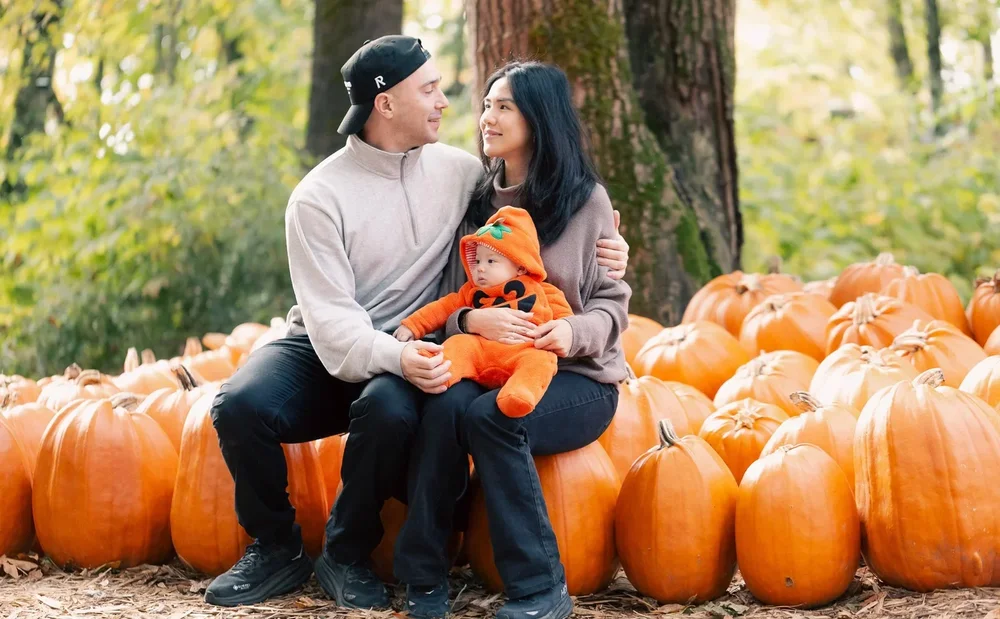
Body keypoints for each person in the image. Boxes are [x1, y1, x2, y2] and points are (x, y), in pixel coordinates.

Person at [203, 37, 630, 609]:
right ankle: (276, 547)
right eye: (430, 89)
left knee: (404, 408)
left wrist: (615, 254)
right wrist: (433, 337)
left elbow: (580, 263)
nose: (450, 105)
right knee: (239, 405)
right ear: (385, 103)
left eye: (495, 104)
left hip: (446, 350)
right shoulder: (319, 199)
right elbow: (340, 328)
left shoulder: (460, 176)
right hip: (340, 344)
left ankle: (348, 553)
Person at [392, 61, 631, 619]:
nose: (486, 118)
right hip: (487, 359)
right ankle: (424, 576)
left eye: (504, 107)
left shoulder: (584, 200)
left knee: (490, 417)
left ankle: (541, 590)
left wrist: (570, 330)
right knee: (447, 399)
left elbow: (613, 303)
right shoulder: (478, 203)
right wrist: (471, 325)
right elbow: (455, 299)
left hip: (578, 378)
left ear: (539, 118)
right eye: (486, 105)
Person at [395, 205, 573, 417]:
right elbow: (441, 308)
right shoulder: (471, 292)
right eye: (477, 260)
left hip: (524, 350)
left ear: (521, 266)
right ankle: (436, 371)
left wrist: (563, 331)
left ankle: (519, 395)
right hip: (479, 351)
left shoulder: (544, 292)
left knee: (542, 361)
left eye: (491, 261)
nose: (480, 267)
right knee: (458, 345)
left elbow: (565, 320)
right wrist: (412, 326)